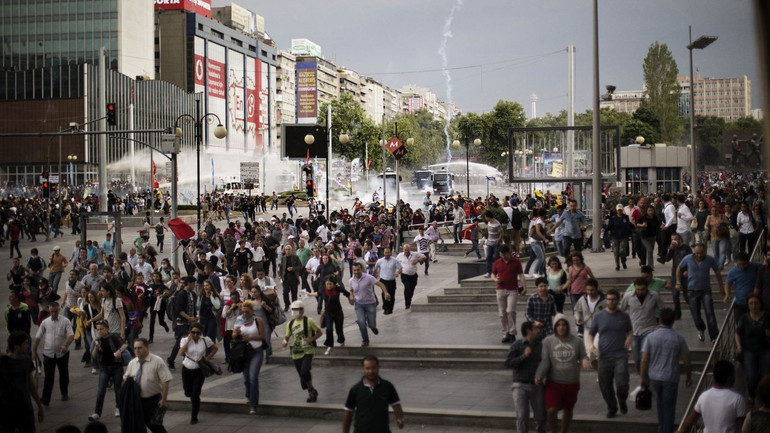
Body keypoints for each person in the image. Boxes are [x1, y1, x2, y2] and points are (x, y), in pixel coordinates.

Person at [535, 314, 591, 433]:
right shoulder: (548, 341)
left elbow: (582, 355)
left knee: (568, 409)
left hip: (572, 381)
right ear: (555, 327)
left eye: (564, 325)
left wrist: (585, 360)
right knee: (551, 410)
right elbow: (545, 361)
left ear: (567, 326)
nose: (561, 327)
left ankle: (564, 431)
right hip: (554, 382)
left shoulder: (578, 341)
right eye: (558, 325)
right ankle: (554, 430)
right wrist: (539, 374)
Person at [640, 307, 692, 433]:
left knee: (660, 404)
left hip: (654, 377)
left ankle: (661, 428)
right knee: (669, 407)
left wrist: (643, 377)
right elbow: (686, 361)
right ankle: (666, 430)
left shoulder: (650, 337)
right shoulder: (679, 338)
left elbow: (644, 360)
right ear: (673, 321)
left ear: (660, 320)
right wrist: (688, 377)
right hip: (670, 377)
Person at [588, 288, 632, 418]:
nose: (611, 302)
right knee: (605, 385)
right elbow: (591, 334)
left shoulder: (624, 316)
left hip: (620, 355)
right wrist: (590, 345)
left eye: (613, 299)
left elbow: (629, 331)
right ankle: (612, 407)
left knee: (622, 383)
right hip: (604, 356)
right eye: (608, 299)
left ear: (618, 301)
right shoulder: (599, 316)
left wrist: (629, 338)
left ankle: (622, 399)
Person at [676, 360, 746, 433]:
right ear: (729, 378)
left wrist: (681, 430)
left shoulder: (703, 396)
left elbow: (691, 419)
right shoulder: (737, 399)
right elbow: (742, 427)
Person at [343, 356, 404, 433]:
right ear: (363, 369)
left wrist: (399, 418)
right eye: (367, 368)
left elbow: (396, 405)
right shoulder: (356, 389)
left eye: (373, 368)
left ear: (378, 368)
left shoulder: (387, 386)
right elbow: (348, 413)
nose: (371, 371)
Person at [123, 338, 173, 433]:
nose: (137, 350)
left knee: (155, 425)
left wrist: (163, 400)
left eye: (140, 348)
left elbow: (165, 381)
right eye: (135, 348)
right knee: (138, 426)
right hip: (137, 400)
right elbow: (126, 377)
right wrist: (128, 379)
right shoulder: (132, 363)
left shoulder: (157, 361)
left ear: (147, 347)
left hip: (152, 400)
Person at [677, 243, 723, 342]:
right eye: (697, 253)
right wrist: (678, 282)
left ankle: (714, 337)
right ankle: (701, 328)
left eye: (701, 253)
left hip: (705, 291)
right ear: (694, 251)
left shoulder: (709, 259)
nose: (699, 255)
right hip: (692, 291)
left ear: (705, 251)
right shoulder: (688, 258)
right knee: (696, 315)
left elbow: (717, 272)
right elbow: (679, 268)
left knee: (710, 313)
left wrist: (721, 286)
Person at [505, 321, 546, 433]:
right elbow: (508, 363)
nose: (539, 331)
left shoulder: (541, 346)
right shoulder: (517, 345)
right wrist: (524, 356)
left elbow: (545, 364)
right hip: (520, 384)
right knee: (522, 415)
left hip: (536, 385)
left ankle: (540, 429)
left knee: (541, 415)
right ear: (528, 331)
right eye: (536, 329)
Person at [0, 331, 45, 433]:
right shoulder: (3, 362)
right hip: (6, 410)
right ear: (16, 347)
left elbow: (31, 385)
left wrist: (39, 405)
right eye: (25, 343)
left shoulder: (26, 361)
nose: (27, 345)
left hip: (25, 408)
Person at [32, 301, 74, 406]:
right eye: (51, 312)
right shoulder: (45, 322)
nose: (53, 314)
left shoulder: (65, 321)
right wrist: (34, 351)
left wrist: (65, 345)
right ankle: (46, 399)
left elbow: (71, 335)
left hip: (62, 354)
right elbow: (38, 337)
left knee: (63, 374)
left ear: (59, 309)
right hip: (48, 354)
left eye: (55, 311)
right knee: (48, 377)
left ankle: (64, 392)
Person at [620, 277, 664, 374]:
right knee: (636, 358)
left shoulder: (654, 296)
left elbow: (663, 310)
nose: (640, 292)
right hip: (634, 331)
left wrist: (660, 325)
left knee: (646, 355)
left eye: (642, 289)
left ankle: (648, 376)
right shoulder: (628, 296)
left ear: (647, 288)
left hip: (649, 330)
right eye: (638, 289)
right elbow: (621, 310)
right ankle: (642, 376)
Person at [281, 300, 322, 403]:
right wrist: (284, 342)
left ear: (302, 310)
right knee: (302, 375)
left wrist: (311, 339)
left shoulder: (309, 321)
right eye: (293, 310)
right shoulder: (290, 324)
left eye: (296, 310)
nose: (294, 312)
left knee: (304, 370)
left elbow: (319, 332)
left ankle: (311, 390)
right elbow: (287, 336)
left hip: (308, 350)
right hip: (296, 352)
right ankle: (311, 390)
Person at [178, 322, 218, 424]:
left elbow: (215, 348)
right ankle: (190, 396)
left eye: (198, 333)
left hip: (199, 370)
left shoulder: (205, 340)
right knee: (188, 392)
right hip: (187, 368)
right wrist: (188, 341)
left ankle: (194, 416)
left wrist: (208, 358)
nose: (195, 335)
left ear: (201, 333)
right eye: (193, 332)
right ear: (190, 332)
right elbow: (181, 353)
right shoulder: (184, 340)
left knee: (195, 394)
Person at [89, 320, 127, 422]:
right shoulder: (98, 340)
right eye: (98, 330)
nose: (100, 331)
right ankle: (97, 412)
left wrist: (119, 351)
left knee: (118, 389)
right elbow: (93, 356)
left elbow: (124, 344)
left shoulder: (113, 336)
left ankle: (118, 407)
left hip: (116, 367)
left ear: (107, 328)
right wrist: (96, 348)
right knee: (101, 390)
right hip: (104, 368)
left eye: (102, 329)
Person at [734, 294, 770, 402]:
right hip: (749, 349)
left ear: (760, 304)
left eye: (756, 303)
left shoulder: (767, 316)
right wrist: (739, 346)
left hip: (765, 349)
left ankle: (763, 395)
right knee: (751, 375)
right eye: (751, 303)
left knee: (765, 374)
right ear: (748, 305)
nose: (754, 306)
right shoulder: (744, 318)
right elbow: (737, 333)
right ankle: (751, 394)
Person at [233, 300, 266, 414]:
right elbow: (233, 335)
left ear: (252, 311)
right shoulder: (239, 320)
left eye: (247, 312)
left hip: (256, 351)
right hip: (244, 353)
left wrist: (250, 338)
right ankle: (249, 395)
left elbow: (262, 336)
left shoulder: (258, 320)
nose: (245, 314)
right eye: (243, 312)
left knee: (253, 377)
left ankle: (253, 404)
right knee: (246, 378)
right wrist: (236, 333)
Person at [491, 245, 527, 343]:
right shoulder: (498, 262)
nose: (503, 256)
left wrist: (524, 287)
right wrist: (495, 279)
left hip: (512, 290)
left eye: (504, 254)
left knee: (510, 311)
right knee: (502, 313)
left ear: (509, 252)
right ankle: (505, 333)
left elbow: (521, 275)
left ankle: (512, 332)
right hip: (500, 289)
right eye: (501, 255)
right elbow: (493, 273)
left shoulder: (516, 262)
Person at [349, 262, 390, 347]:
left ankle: (372, 326)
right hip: (359, 304)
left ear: (361, 269)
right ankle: (365, 340)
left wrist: (385, 292)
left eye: (358, 270)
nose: (356, 272)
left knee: (371, 323)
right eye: (354, 270)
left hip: (370, 303)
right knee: (361, 322)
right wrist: (351, 296)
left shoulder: (369, 278)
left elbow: (380, 284)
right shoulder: (351, 280)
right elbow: (351, 290)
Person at [167, 276, 198, 370]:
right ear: (188, 283)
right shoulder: (182, 294)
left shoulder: (192, 294)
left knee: (187, 341)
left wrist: (194, 317)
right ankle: (171, 359)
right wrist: (189, 318)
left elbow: (192, 307)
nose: (194, 285)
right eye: (193, 283)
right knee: (180, 342)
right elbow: (179, 309)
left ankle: (184, 359)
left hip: (190, 323)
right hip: (182, 323)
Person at [725, 252, 760, 320]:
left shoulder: (755, 266)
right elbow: (728, 283)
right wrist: (727, 294)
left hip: (753, 303)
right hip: (740, 303)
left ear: (748, 262)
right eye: (739, 264)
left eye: (744, 264)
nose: (742, 266)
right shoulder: (733, 271)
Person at [394, 244, 426, 310]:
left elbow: (424, 257)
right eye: (405, 250)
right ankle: (407, 303)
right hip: (404, 274)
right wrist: (397, 271)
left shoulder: (415, 254)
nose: (406, 251)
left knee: (412, 289)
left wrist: (417, 260)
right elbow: (395, 263)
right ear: (403, 250)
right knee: (407, 287)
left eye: (407, 249)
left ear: (410, 249)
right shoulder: (400, 256)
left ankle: (409, 299)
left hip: (413, 275)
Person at [374, 247, 402, 315]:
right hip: (383, 280)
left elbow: (400, 268)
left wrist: (398, 272)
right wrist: (375, 275)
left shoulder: (395, 260)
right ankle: (386, 307)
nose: (386, 254)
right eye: (385, 253)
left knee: (391, 295)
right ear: (383, 253)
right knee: (385, 294)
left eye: (388, 253)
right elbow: (375, 268)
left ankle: (390, 308)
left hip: (391, 280)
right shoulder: (380, 261)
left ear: (390, 253)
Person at [606, 204, 631, 270]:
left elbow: (628, 225)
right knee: (616, 252)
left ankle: (623, 262)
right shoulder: (613, 218)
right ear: (617, 210)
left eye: (620, 210)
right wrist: (605, 230)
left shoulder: (626, 217)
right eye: (618, 210)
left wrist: (631, 230)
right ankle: (617, 265)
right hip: (615, 237)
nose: (619, 211)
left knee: (622, 251)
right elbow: (610, 226)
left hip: (623, 237)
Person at [484, 211, 502, 278]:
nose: (485, 218)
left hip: (495, 243)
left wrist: (498, 240)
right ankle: (488, 272)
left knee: (497, 258)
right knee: (488, 257)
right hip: (489, 243)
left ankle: (497, 272)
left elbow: (501, 233)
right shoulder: (489, 223)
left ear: (489, 217)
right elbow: (489, 232)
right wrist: (487, 239)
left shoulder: (497, 223)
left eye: (486, 217)